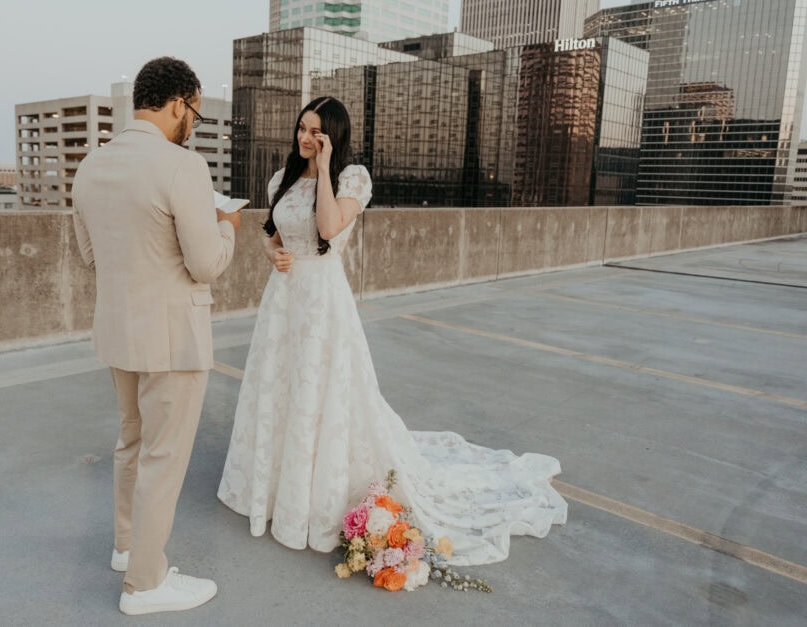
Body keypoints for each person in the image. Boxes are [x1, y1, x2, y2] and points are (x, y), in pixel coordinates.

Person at [217, 96, 566, 567]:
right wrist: (268, 253)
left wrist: (322, 168)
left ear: (333, 137)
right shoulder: (281, 178)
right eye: (302, 128)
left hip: (322, 301)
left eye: (316, 132)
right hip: (282, 301)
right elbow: (273, 233)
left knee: (322, 391)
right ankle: (276, 489)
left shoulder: (351, 178)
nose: (304, 138)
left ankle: (312, 497)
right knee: (279, 388)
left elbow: (326, 228)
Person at [72, 56, 241, 615]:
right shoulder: (181, 166)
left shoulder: (91, 166)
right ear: (177, 104)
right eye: (193, 109)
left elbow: (90, 256)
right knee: (164, 459)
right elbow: (207, 264)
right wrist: (226, 226)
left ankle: (127, 547)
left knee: (132, 444)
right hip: (173, 337)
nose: (192, 121)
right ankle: (145, 584)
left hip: (119, 331)